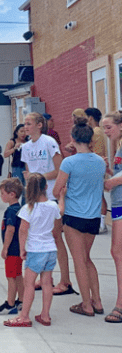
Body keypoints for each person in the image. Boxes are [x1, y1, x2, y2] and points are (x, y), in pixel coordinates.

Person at [52, 119, 105, 317]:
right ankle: (97, 300)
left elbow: (57, 189)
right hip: (93, 217)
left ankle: (86, 304)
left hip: (74, 216)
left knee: (79, 261)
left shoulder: (69, 162)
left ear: (73, 139)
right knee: (87, 259)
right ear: (91, 139)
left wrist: (63, 195)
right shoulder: (100, 161)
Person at [21, 112, 74, 296]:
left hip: (51, 195)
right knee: (38, 236)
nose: (26, 127)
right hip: (35, 197)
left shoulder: (49, 142)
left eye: (29, 123)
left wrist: (39, 178)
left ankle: (65, 280)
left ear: (39, 125)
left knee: (56, 237)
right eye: (24, 124)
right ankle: (46, 279)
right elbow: (28, 173)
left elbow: (59, 169)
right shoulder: (26, 147)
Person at [4, 173, 60, 327]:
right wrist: (62, 197)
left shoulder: (27, 208)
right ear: (46, 187)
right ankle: (45, 315)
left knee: (29, 284)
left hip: (36, 250)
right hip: (51, 249)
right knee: (47, 283)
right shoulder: (52, 206)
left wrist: (22, 249)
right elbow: (59, 213)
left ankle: (24, 316)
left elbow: (23, 230)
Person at [102, 111, 122, 323]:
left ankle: (120, 304)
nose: (105, 132)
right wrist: (109, 170)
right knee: (117, 252)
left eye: (108, 127)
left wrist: (112, 182)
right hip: (118, 205)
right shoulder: (119, 147)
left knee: (118, 252)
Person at [0, 178, 24, 315]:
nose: (1, 196)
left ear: (12, 194)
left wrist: (5, 247)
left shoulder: (11, 211)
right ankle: (22, 300)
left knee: (11, 277)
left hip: (12, 250)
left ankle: (10, 303)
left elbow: (10, 230)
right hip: (19, 249)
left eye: (2, 193)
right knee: (18, 275)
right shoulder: (19, 209)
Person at [85, 107, 109, 234]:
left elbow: (97, 152)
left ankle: (103, 223)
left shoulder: (96, 132)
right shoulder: (95, 131)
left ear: (90, 118)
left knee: (100, 196)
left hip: (96, 167)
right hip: (97, 167)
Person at [4, 124, 28, 188]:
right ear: (17, 132)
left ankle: (25, 198)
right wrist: (14, 148)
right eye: (21, 131)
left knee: (27, 187)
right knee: (17, 186)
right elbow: (5, 154)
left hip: (27, 167)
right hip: (17, 167)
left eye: (25, 131)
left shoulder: (28, 142)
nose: (23, 134)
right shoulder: (12, 142)